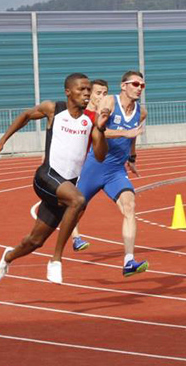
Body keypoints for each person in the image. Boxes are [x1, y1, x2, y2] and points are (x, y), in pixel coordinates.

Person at [0, 73, 109, 284]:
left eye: (88, 90)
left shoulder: (91, 121)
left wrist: (100, 128)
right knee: (79, 201)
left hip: (66, 186)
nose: (86, 93)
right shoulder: (54, 109)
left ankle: (8, 256)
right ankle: (56, 260)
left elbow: (100, 156)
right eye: (81, 89)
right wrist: (2, 141)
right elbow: (26, 115)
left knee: (34, 241)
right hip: (46, 177)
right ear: (68, 92)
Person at [71, 71, 148, 277]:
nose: (139, 88)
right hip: (95, 166)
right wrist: (124, 132)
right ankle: (62, 247)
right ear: (124, 86)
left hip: (115, 170)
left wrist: (131, 158)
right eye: (135, 84)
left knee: (129, 206)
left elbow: (133, 138)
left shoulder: (141, 112)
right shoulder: (109, 102)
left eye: (142, 85)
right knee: (74, 210)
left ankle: (129, 261)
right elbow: (98, 129)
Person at [71, 78, 109, 252]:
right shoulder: (81, 115)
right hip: (74, 163)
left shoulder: (104, 116)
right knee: (76, 202)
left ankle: (72, 235)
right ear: (90, 94)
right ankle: (75, 238)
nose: (102, 96)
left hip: (91, 164)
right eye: (98, 93)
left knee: (81, 204)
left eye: (105, 93)